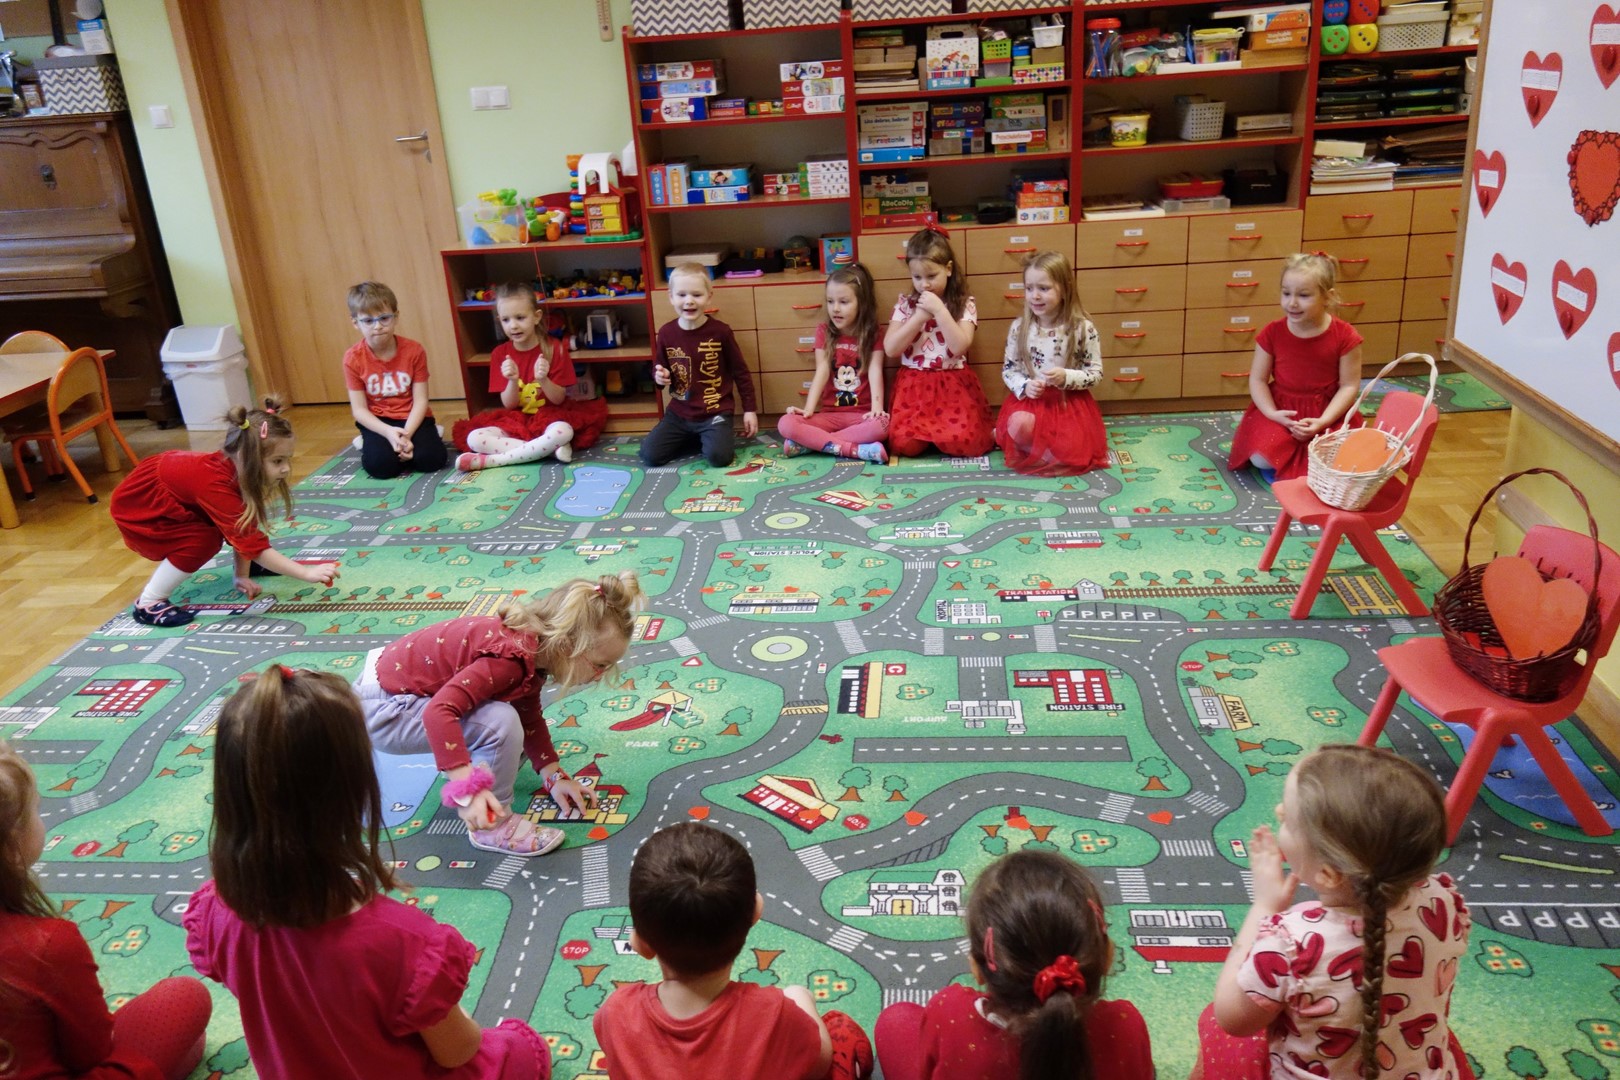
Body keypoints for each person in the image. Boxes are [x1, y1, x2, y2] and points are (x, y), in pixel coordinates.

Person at [183, 667, 549, 1079]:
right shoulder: (400, 938)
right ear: (354, 791)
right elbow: (458, 1051)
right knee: (522, 1048)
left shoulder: (215, 911)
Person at [1196, 744, 1473, 1080]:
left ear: (1328, 875)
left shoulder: (1291, 943)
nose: (1279, 811)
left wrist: (1264, 907)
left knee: (1214, 1022)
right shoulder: (1443, 901)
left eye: (1289, 819)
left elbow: (1232, 1019)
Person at [358, 572, 645, 856]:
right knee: (501, 723)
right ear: (567, 646)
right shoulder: (509, 660)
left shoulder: (531, 647)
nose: (600, 675)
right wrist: (467, 789)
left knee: (513, 725)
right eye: (600, 665)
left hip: (402, 691)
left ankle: (475, 766)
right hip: (386, 710)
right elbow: (439, 712)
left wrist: (554, 776)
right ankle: (492, 826)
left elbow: (529, 717)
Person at [0, 738, 213, 1080]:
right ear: (12, 845)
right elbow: (92, 1052)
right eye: (35, 811)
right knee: (184, 997)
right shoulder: (46, 944)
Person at [593, 822, 872, 1080]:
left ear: (640, 944)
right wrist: (801, 997)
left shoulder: (616, 1012)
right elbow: (818, 1063)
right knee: (840, 1031)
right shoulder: (775, 1013)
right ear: (756, 912)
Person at [874, 850, 1152, 1080]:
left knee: (895, 1020)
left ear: (976, 966)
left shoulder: (949, 1012)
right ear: (1107, 956)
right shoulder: (1125, 1026)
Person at [109, 397, 340, 627]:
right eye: (277, 461)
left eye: (287, 459)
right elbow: (250, 541)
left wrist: (242, 575)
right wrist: (306, 573)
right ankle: (149, 602)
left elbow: (244, 528)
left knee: (236, 529)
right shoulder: (215, 484)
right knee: (203, 542)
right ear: (246, 457)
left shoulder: (237, 471)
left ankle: (253, 564)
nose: (286, 469)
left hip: (171, 498)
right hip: (141, 508)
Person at [1227, 253, 1364, 483]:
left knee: (1345, 457)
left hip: (1327, 412)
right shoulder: (1272, 332)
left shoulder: (1345, 336)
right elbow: (1258, 380)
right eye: (1286, 293)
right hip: (1282, 411)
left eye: (1304, 295)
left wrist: (1323, 421)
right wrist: (1272, 414)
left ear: (1327, 297)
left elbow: (1349, 386)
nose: (1292, 303)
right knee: (1261, 459)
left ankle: (1306, 458)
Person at [451, 281, 608, 472]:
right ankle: (548, 451)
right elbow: (509, 405)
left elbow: (558, 399)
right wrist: (511, 380)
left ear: (536, 317)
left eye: (520, 318)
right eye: (506, 320)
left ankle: (493, 460)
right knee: (474, 438)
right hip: (517, 419)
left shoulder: (555, 348)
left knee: (563, 431)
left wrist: (543, 379)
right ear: (499, 320)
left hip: (550, 417)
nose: (513, 326)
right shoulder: (500, 354)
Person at [994, 251, 1110, 475]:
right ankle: (1037, 450)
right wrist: (1025, 386)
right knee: (1018, 424)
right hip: (1032, 403)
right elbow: (1010, 370)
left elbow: (1095, 373)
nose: (1035, 296)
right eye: (1029, 288)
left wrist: (1067, 377)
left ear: (1065, 289)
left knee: (1073, 448)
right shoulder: (1020, 328)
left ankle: (1044, 452)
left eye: (1044, 288)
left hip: (1067, 404)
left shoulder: (1082, 328)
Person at [883, 227, 993, 459]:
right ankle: (929, 437)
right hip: (914, 388)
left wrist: (940, 311)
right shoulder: (905, 304)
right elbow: (891, 348)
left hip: (951, 386)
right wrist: (919, 318)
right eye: (917, 277)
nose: (924, 285)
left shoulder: (964, 303)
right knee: (905, 445)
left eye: (931, 276)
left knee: (965, 444)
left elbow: (959, 346)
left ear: (948, 269)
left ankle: (941, 436)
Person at [639, 263, 758, 468]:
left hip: (715, 413)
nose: (689, 301)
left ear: (709, 296)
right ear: (671, 297)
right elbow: (659, 369)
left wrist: (750, 409)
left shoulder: (721, 332)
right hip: (679, 414)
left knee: (719, 458)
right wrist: (659, 377)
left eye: (696, 294)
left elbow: (741, 372)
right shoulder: (666, 333)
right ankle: (698, 438)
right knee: (650, 455)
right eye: (681, 295)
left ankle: (708, 438)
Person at [777, 263, 890, 464]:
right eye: (830, 301)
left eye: (843, 302)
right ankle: (852, 450)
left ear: (862, 303)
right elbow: (821, 370)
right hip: (829, 415)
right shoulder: (824, 331)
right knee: (786, 423)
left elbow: (875, 370)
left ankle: (809, 444)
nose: (835, 308)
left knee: (882, 426)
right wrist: (809, 409)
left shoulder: (874, 333)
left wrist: (877, 407)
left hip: (861, 416)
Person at [344, 280, 450, 479]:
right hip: (379, 421)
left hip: (412, 417)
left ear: (396, 316)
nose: (378, 326)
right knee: (381, 467)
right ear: (355, 323)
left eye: (384, 318)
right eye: (368, 321)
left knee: (432, 460)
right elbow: (359, 410)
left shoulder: (414, 350)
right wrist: (388, 433)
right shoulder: (353, 358)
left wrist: (406, 435)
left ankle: (430, 434)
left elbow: (421, 400)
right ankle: (366, 442)